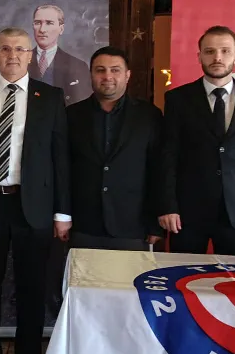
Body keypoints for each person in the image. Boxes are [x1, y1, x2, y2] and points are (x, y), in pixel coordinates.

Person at [0, 27, 71, 354]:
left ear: (31, 55)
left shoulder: (51, 97)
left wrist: (62, 213)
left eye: (20, 50)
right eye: (5, 49)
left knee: (32, 287)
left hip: (34, 206)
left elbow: (61, 159)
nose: (12, 55)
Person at [158, 25, 235, 256]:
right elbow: (168, 155)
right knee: (182, 280)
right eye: (210, 51)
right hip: (187, 213)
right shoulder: (177, 100)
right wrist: (167, 206)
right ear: (199, 55)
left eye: (225, 51)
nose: (217, 57)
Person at [67, 47, 163, 250]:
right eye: (100, 70)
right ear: (91, 74)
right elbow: (61, 169)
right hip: (83, 225)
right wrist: (62, 216)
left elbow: (159, 171)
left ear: (128, 75)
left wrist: (155, 223)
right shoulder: (71, 115)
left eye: (115, 70)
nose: (107, 76)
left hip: (132, 226)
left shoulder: (149, 116)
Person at [27, 4, 91, 105]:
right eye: (38, 23)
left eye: (49, 23)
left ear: (61, 29)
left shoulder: (78, 66)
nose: (42, 29)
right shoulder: (19, 62)